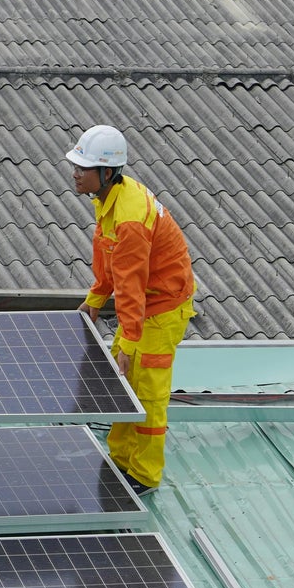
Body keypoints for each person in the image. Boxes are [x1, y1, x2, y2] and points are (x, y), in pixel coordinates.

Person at [66, 125, 196, 492]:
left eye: (83, 167)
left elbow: (132, 286)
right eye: (75, 165)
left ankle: (144, 474)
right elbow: (110, 263)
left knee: (147, 392)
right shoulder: (109, 199)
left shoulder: (130, 220)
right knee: (124, 383)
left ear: (106, 172)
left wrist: (129, 344)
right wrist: (94, 299)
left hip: (161, 307)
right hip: (141, 305)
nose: (75, 173)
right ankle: (122, 458)